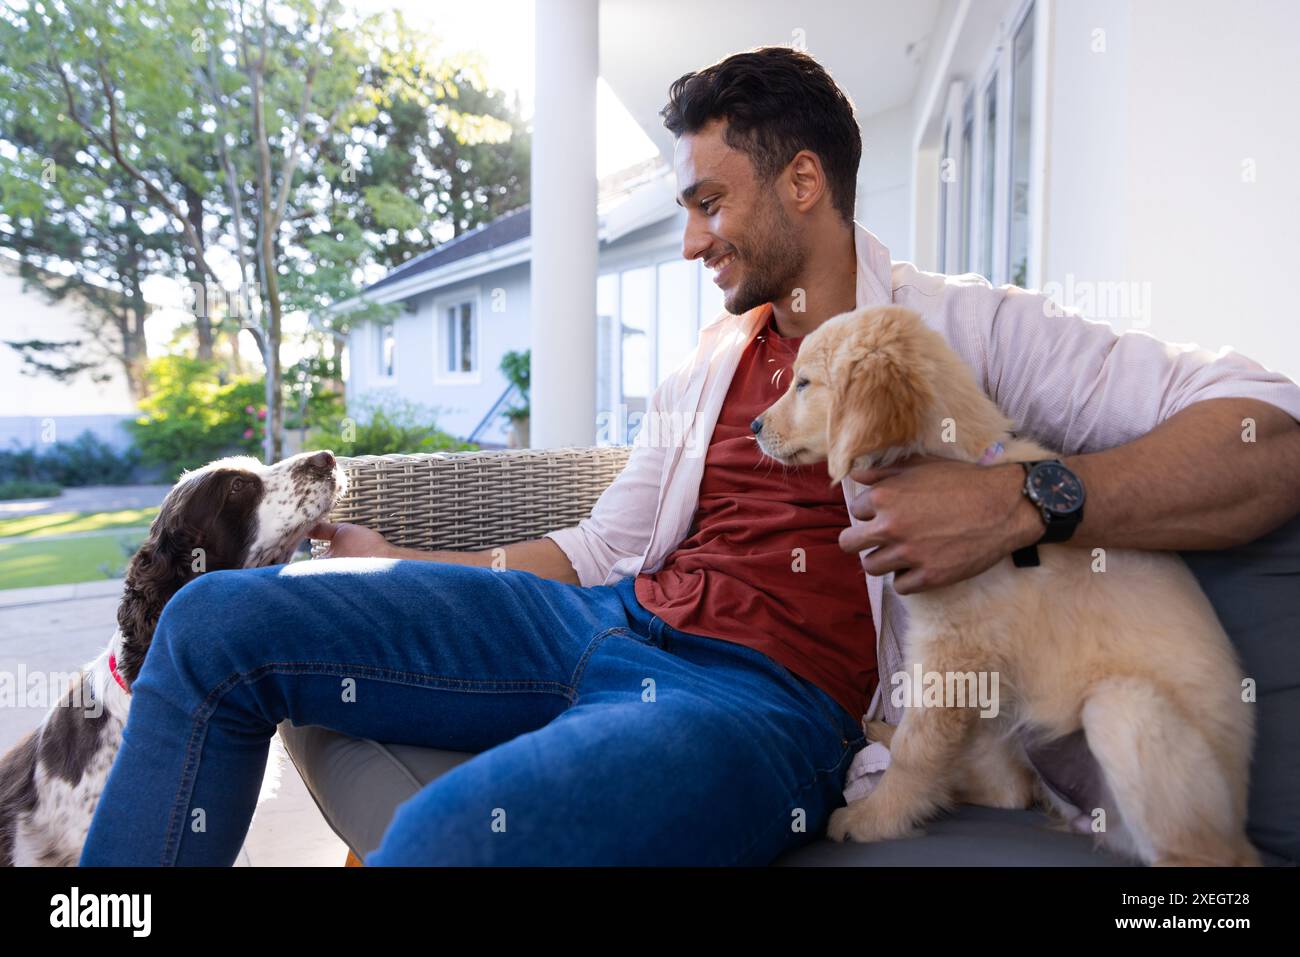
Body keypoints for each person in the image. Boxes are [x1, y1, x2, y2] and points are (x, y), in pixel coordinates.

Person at [80, 47, 1300, 866]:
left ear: (804, 182)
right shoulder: (706, 363)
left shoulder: (959, 328)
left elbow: (1265, 430)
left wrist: (1022, 499)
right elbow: (602, 544)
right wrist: (409, 557)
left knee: (449, 841)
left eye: (709, 203)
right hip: (600, 621)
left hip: (753, 702)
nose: (687, 242)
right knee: (222, 622)